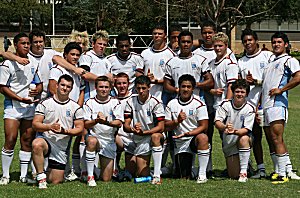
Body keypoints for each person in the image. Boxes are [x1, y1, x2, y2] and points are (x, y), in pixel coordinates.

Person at [0, 33, 42, 185]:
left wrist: (37, 90)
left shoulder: (32, 63)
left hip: (29, 107)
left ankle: (24, 175)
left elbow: (39, 83)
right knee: (10, 139)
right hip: (13, 106)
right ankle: (5, 175)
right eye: (22, 43)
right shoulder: (6, 64)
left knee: (27, 140)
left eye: (27, 43)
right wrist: (18, 98)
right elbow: (2, 88)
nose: (26, 46)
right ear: (15, 45)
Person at [32, 74, 84, 189]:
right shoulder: (45, 103)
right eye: (62, 85)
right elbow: (35, 124)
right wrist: (49, 127)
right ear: (57, 85)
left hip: (61, 147)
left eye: (68, 87)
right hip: (46, 140)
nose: (64, 88)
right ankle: (41, 178)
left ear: (71, 89)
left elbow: (80, 128)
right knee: (37, 144)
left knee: (56, 181)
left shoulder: (75, 107)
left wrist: (65, 131)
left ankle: (44, 167)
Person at [261, 32, 300, 184]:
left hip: (277, 104)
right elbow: (268, 82)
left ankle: (282, 173)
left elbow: (298, 77)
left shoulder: (289, 60)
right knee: (272, 139)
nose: (276, 44)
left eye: (279, 42)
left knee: (277, 138)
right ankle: (282, 170)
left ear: (285, 44)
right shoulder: (272, 60)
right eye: (274, 42)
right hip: (266, 105)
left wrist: (281, 90)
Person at [238, 28, 272, 179]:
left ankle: (281, 168)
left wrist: (256, 81)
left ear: (256, 40)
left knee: (272, 137)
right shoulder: (241, 61)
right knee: (255, 138)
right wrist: (245, 84)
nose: (247, 43)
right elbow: (240, 85)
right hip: (250, 107)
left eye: (250, 40)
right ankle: (261, 168)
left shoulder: (267, 56)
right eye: (245, 41)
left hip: (267, 104)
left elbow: (273, 81)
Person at [165, 74, 209, 183]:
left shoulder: (199, 104)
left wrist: (188, 134)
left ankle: (202, 174)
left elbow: (204, 126)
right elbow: (166, 125)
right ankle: (188, 169)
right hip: (179, 142)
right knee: (183, 176)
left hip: (193, 139)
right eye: (183, 86)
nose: (185, 89)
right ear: (178, 88)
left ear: (193, 89)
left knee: (203, 137)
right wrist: (177, 121)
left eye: (188, 87)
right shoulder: (172, 104)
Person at [123, 75, 165, 185]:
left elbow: (161, 127)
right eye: (138, 88)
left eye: (143, 88)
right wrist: (132, 129)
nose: (141, 91)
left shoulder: (156, 102)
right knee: (138, 173)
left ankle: (157, 175)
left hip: (152, 135)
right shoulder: (130, 101)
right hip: (138, 137)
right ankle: (151, 173)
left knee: (155, 137)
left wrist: (144, 132)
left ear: (149, 87)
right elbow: (125, 125)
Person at [83, 76, 123, 186]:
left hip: (109, 140)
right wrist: (96, 120)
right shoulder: (89, 103)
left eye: (106, 87)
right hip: (95, 137)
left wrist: (106, 121)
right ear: (95, 88)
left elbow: (119, 122)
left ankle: (96, 171)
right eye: (101, 87)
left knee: (106, 179)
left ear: (110, 88)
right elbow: (85, 124)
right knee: (91, 141)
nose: (103, 89)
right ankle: (90, 176)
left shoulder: (115, 102)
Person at [215, 79, 255, 182]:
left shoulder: (249, 108)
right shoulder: (225, 104)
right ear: (233, 92)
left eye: (242, 92)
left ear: (246, 94)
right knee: (232, 175)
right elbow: (217, 122)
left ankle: (243, 173)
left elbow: (246, 130)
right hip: (229, 142)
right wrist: (224, 127)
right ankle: (246, 165)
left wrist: (234, 131)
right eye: (237, 91)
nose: (239, 94)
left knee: (244, 139)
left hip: (241, 138)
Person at [164, 30, 214, 99]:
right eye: (183, 42)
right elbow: (166, 85)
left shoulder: (201, 60)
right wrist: (176, 90)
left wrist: (196, 84)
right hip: (178, 101)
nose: (186, 44)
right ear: (178, 43)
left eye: (188, 42)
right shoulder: (171, 62)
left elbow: (210, 82)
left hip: (197, 100)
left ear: (192, 43)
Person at [28, 29, 62, 100]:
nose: (38, 44)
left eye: (40, 42)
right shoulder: (26, 57)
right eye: (35, 42)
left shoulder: (51, 53)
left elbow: (66, 57)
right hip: (32, 96)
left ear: (44, 42)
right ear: (31, 43)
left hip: (50, 96)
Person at [209, 32, 239, 111]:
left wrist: (226, 105)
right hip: (215, 104)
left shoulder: (230, 63)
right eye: (215, 46)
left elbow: (231, 86)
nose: (218, 48)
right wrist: (211, 91)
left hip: (225, 106)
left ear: (226, 46)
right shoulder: (211, 64)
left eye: (220, 46)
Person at [114, 73, 136, 178]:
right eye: (119, 83)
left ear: (129, 84)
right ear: (115, 85)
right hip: (118, 137)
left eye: (124, 83)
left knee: (132, 173)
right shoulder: (111, 100)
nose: (122, 86)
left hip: (132, 138)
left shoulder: (135, 98)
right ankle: (114, 166)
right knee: (111, 137)